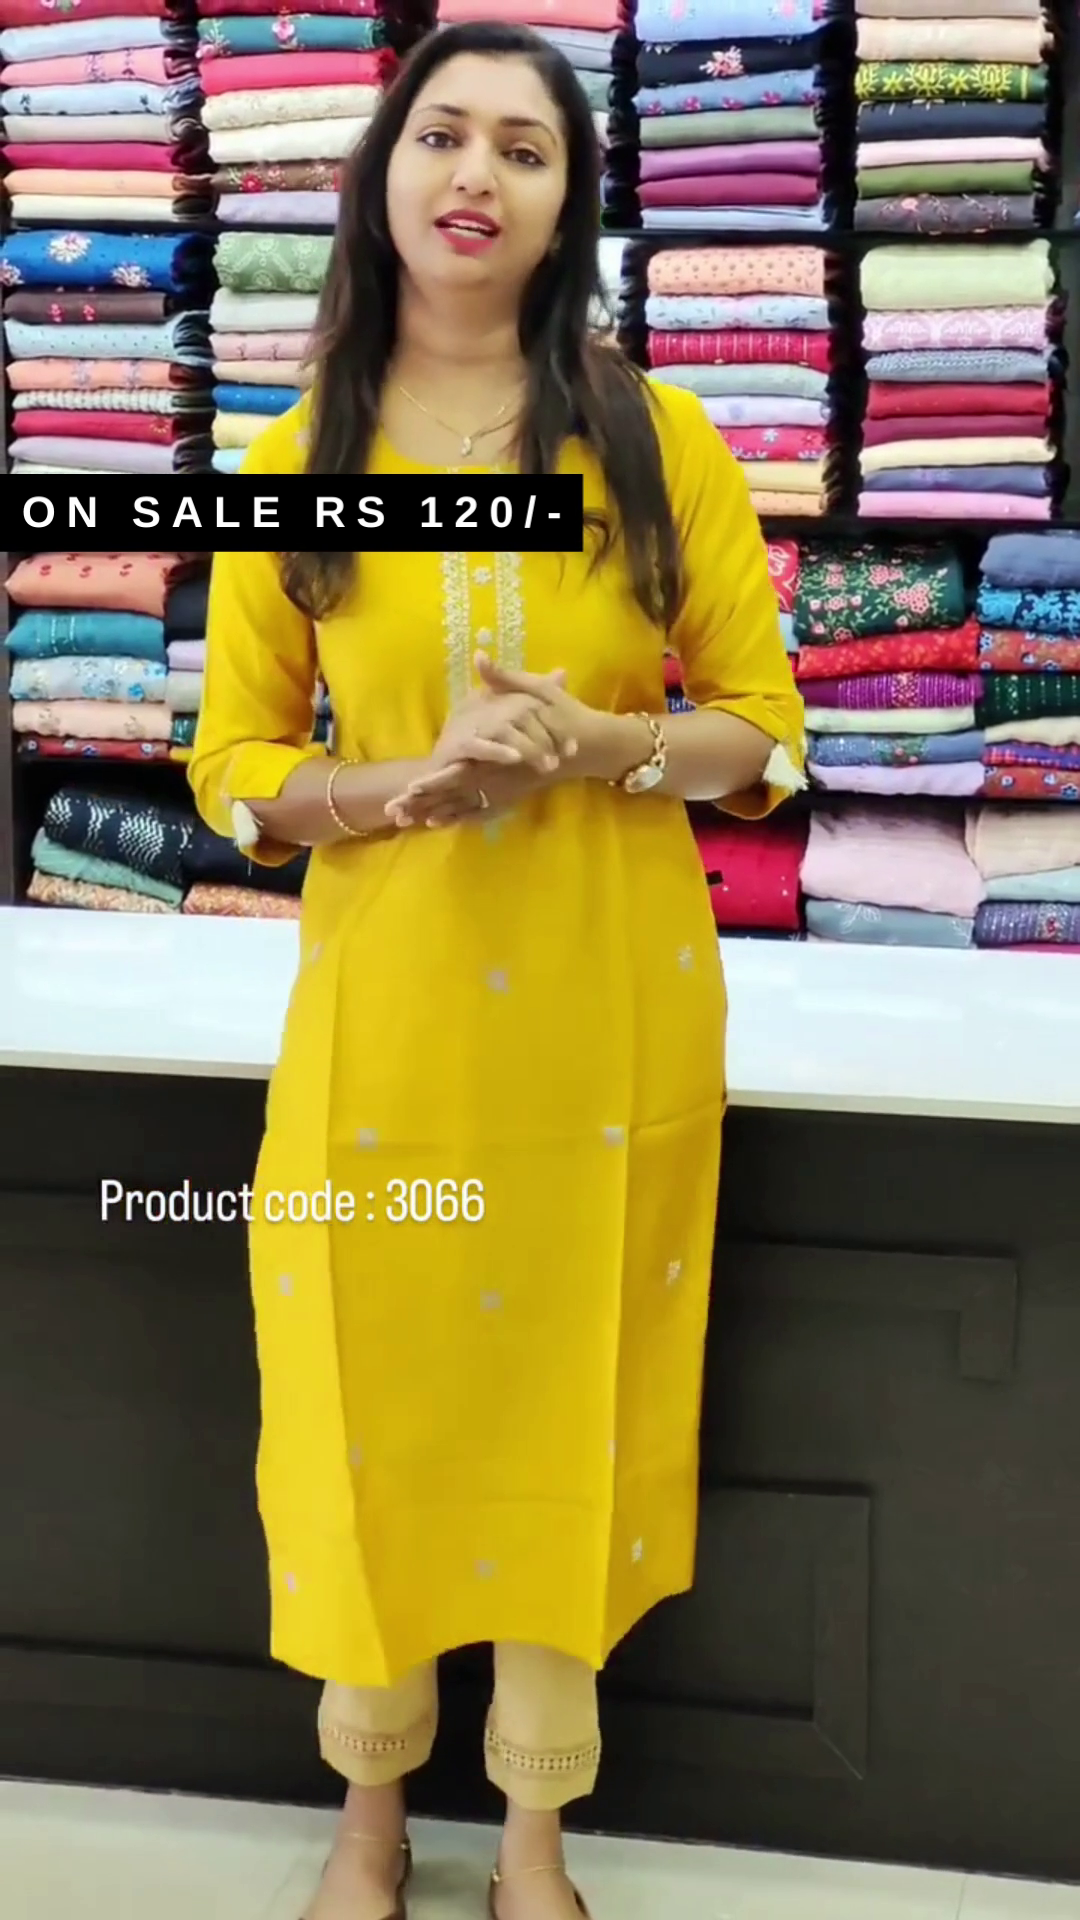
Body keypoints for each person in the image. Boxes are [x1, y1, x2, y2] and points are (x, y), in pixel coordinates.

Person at [189, 20, 805, 1920]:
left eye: (525, 150)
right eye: (443, 134)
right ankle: (368, 1815)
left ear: (568, 204)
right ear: (381, 172)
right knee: (366, 1404)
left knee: (572, 1398)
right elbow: (234, 770)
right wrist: (408, 786)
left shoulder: (653, 439)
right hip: (385, 1031)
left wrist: (603, 745)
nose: (477, 174)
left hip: (604, 1030)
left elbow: (766, 734)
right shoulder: (296, 461)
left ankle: (536, 1830)